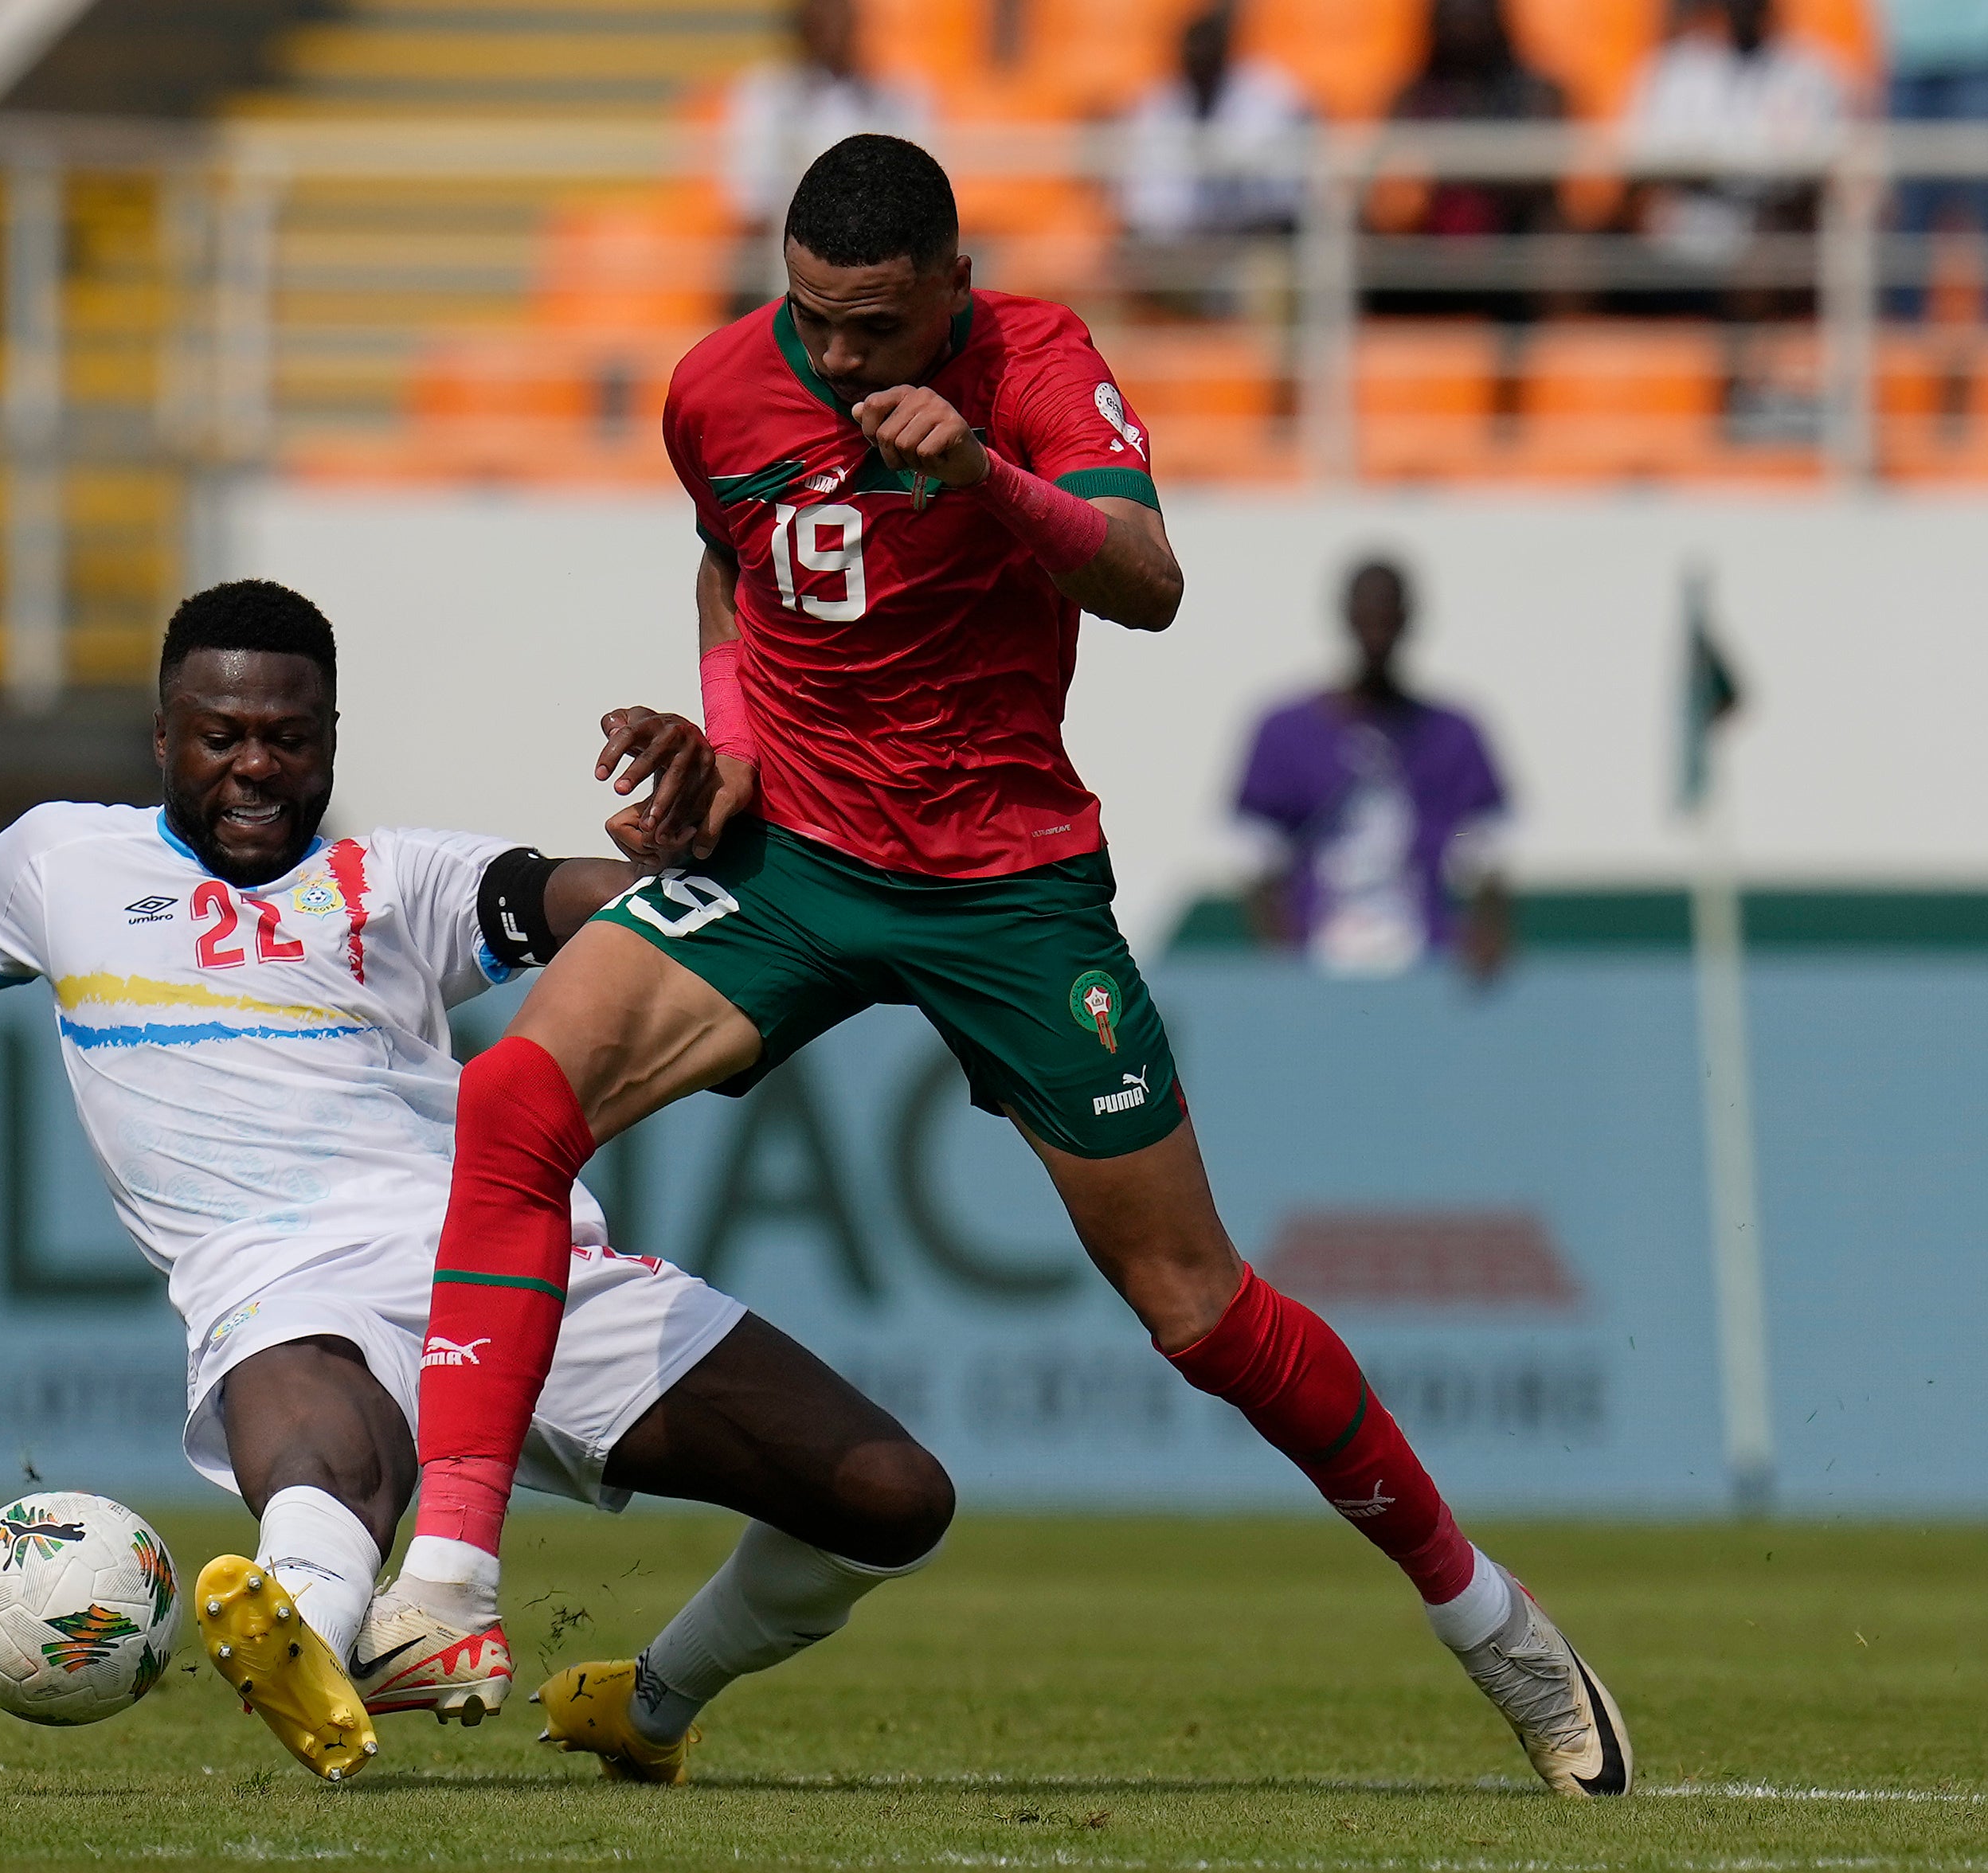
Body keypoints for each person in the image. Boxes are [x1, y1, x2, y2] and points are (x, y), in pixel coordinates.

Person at [370, 136, 1630, 1799]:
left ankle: (1492, 1624)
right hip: (796, 861)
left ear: (953, 290)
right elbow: (729, 561)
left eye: (877, 327)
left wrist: (983, 476)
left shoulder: (1037, 362)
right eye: (815, 319)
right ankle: (449, 1588)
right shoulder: (716, 387)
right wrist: (732, 744)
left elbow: (1148, 583)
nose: (839, 358)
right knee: (515, 1101)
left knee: (1198, 1312)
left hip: (1005, 886)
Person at [0, 580, 952, 1786]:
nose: (255, 768)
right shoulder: (58, 863)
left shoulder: (395, 879)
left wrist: (687, 857)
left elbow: (586, 898)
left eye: (287, 738)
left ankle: (647, 1703)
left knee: (892, 1499)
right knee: (330, 1454)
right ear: (162, 737)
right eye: (220, 737)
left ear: (330, 741)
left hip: (509, 1263)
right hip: (280, 1283)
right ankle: (304, 1640)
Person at [1235, 558, 1513, 981]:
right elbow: (1257, 865)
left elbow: (1487, 861)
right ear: (1347, 617)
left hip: (1429, 962)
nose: (1377, 632)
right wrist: (1288, 967)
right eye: (1368, 615)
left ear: (1408, 619)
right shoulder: (1284, 732)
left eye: (1387, 616)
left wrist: (1484, 939)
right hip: (1318, 960)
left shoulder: (1455, 734)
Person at [1618, 0, 1848, 311]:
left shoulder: (1812, 72)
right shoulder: (1675, 67)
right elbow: (1641, 163)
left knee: (1765, 261)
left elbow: (1818, 175)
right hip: (1683, 239)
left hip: (1769, 238)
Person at [719, 0, 933, 311]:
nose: (835, 29)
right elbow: (753, 200)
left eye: (843, 17)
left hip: (884, 256)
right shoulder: (764, 96)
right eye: (823, 17)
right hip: (792, 258)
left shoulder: (899, 96)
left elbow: (924, 189)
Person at [1369, 0, 1569, 322]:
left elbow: (1541, 180)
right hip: (1424, 261)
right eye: (1453, 14)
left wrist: (1458, 167)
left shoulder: (1537, 94)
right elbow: (1391, 192)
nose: (1463, 25)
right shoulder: (1411, 98)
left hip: (1512, 261)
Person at [1115, 2, 1309, 245]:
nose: (1199, 56)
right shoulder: (1159, 101)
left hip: (1251, 230)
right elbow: (1145, 195)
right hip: (1178, 238)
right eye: (1193, 49)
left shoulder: (1267, 94)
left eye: (1207, 48)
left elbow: (1277, 184)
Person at [1879, 0, 1988, 318]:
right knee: (1909, 209)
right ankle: (1906, 326)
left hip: (1977, 55)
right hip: (1906, 57)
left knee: (1982, 198)